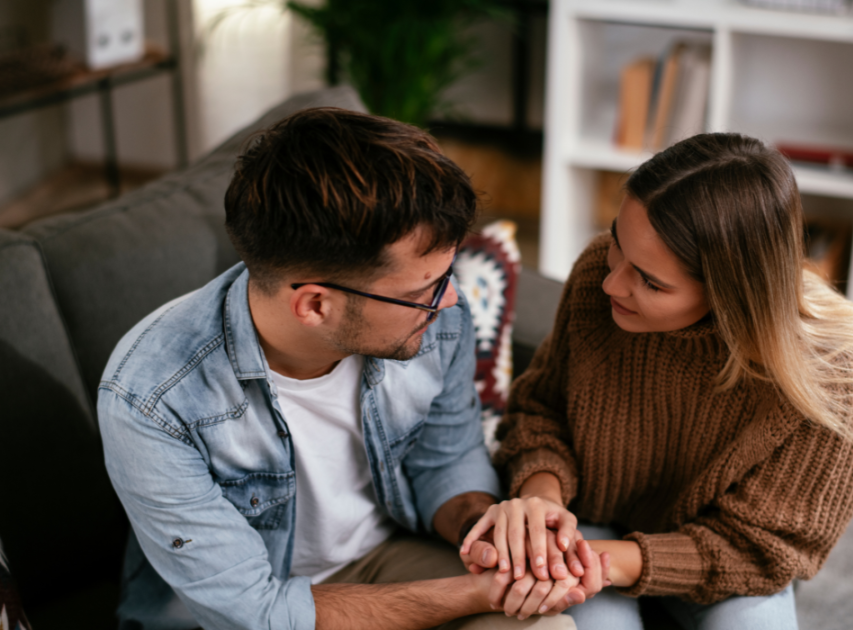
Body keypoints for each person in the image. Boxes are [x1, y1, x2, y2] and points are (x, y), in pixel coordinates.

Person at [97, 108, 606, 630]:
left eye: (444, 275)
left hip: (383, 561)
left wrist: (489, 528)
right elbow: (254, 612)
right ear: (316, 305)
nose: (450, 298)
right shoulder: (151, 400)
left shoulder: (437, 321)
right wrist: (479, 592)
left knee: (547, 625)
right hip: (244, 610)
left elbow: (445, 462)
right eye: (420, 291)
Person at [461, 133, 853, 629]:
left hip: (716, 563)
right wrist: (541, 500)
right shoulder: (599, 274)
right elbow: (542, 411)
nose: (611, 282)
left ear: (730, 294)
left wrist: (612, 561)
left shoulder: (829, 367)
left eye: (651, 281)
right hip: (585, 526)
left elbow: (769, 547)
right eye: (617, 240)